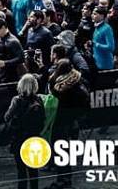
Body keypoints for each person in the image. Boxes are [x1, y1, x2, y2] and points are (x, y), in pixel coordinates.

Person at [48, 59, 89, 189]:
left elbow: (56, 97)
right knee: (65, 151)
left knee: (61, 151)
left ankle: (63, 180)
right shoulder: (79, 80)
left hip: (62, 122)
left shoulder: (62, 87)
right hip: (73, 121)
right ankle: (65, 179)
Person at [4, 74, 44, 189]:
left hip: (19, 137)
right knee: (33, 170)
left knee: (21, 171)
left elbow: (7, 117)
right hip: (34, 138)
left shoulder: (17, 100)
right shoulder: (39, 99)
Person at [89, 5, 115, 70]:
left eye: (95, 14)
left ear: (102, 16)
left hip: (105, 64)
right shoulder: (96, 27)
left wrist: (96, 44)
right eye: (92, 13)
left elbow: (111, 47)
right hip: (96, 61)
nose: (92, 15)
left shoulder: (107, 28)